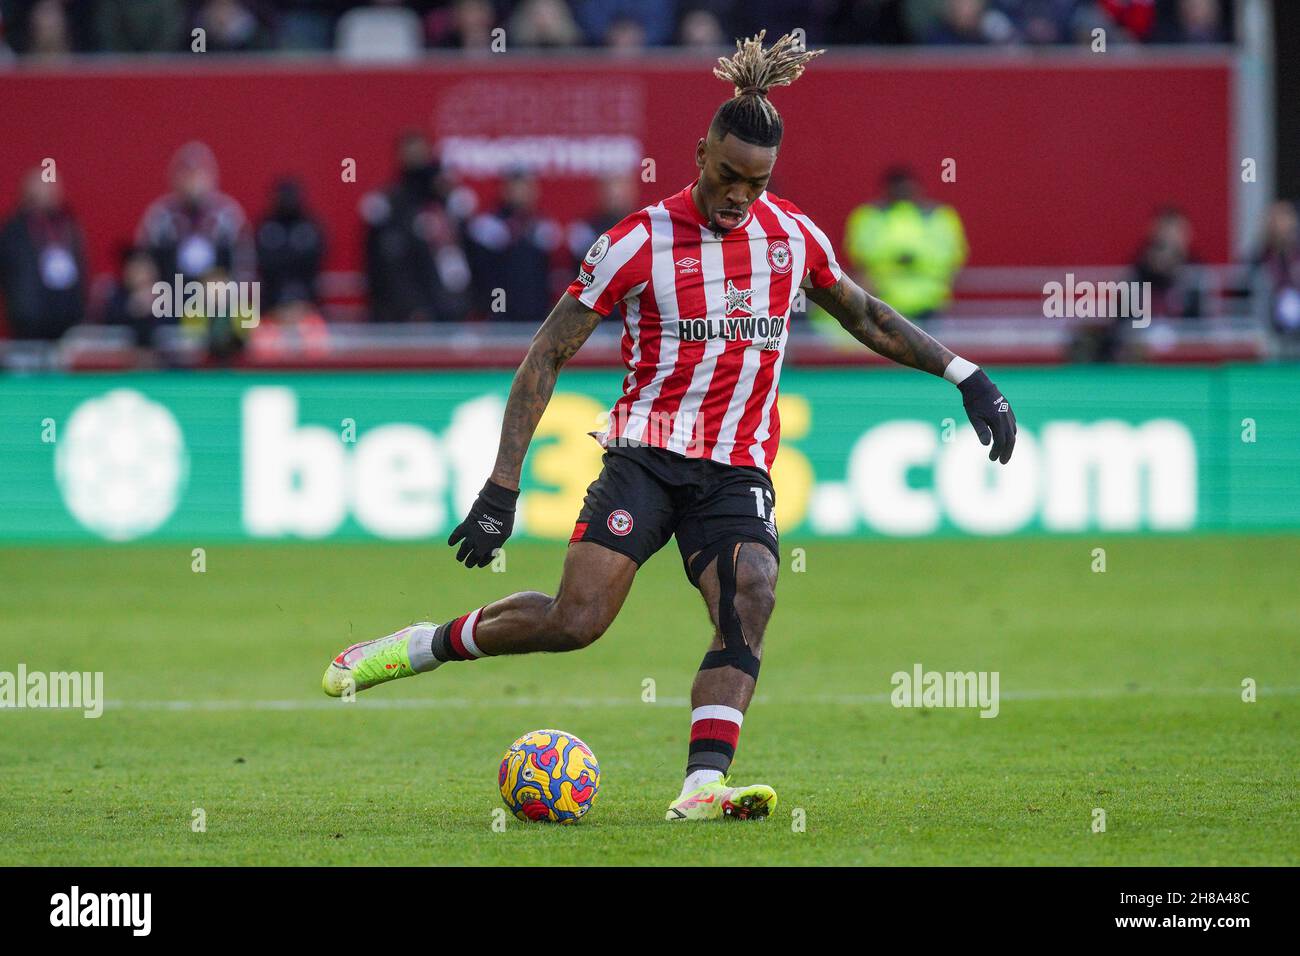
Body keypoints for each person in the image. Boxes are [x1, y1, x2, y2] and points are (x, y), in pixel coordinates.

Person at [320, 31, 1017, 822]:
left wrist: (967, 375)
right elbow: (546, 354)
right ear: (699, 154)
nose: (737, 198)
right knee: (574, 622)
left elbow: (866, 313)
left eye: (755, 184)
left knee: (751, 591)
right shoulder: (635, 243)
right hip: (646, 460)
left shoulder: (791, 236)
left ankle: (702, 787)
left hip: (737, 468)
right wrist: (501, 484)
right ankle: (418, 645)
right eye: (726, 177)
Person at [844, 166, 968, 320]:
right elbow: (860, 253)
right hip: (882, 299)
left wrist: (911, 258)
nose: (902, 192)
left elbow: (952, 254)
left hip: (930, 301)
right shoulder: (868, 216)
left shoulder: (940, 215)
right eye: (897, 188)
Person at [0, 169, 86, 341]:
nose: (52, 194)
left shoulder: (69, 226)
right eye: (45, 189)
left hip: (67, 314)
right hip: (29, 316)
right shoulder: (14, 230)